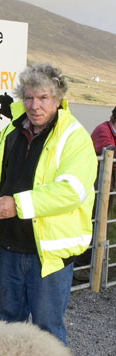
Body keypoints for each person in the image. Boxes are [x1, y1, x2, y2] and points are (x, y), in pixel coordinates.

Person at [0, 63, 97, 345]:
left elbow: (71, 191)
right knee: (6, 327)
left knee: (47, 332)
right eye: (29, 97)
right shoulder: (11, 131)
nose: (35, 105)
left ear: (57, 99)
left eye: (43, 98)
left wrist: (17, 205)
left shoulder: (74, 137)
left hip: (49, 256)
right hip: (9, 248)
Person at [73, 106, 116, 280]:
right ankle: (81, 267)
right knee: (95, 223)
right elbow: (109, 151)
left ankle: (96, 264)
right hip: (97, 183)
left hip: (109, 183)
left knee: (102, 223)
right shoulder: (102, 131)